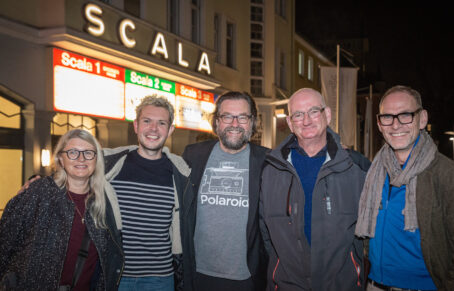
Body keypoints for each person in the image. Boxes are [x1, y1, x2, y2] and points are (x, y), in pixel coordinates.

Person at [355, 85, 454, 291]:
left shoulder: (447, 175)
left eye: (405, 115)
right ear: (379, 123)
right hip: (374, 285)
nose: (395, 125)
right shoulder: (374, 173)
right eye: (387, 117)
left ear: (422, 119)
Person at [260, 88, 370, 290]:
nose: (306, 120)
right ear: (290, 123)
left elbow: (371, 234)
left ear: (327, 114)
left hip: (341, 285)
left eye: (313, 111)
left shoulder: (357, 168)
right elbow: (265, 234)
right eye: (298, 115)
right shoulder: (271, 169)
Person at [0, 129, 124, 290]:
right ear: (60, 159)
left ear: (96, 160)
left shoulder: (103, 203)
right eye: (72, 152)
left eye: (88, 153)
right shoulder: (39, 192)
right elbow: (5, 243)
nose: (81, 158)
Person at [181, 91, 268, 291]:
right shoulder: (193, 155)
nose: (235, 124)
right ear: (217, 122)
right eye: (227, 116)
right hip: (197, 274)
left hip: (247, 276)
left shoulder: (267, 161)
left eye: (243, 117)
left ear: (252, 122)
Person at [103, 95, 190, 291]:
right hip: (115, 275)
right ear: (136, 126)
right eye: (147, 121)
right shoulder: (110, 166)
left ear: (170, 130)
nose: (153, 129)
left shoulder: (181, 174)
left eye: (161, 123)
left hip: (160, 278)